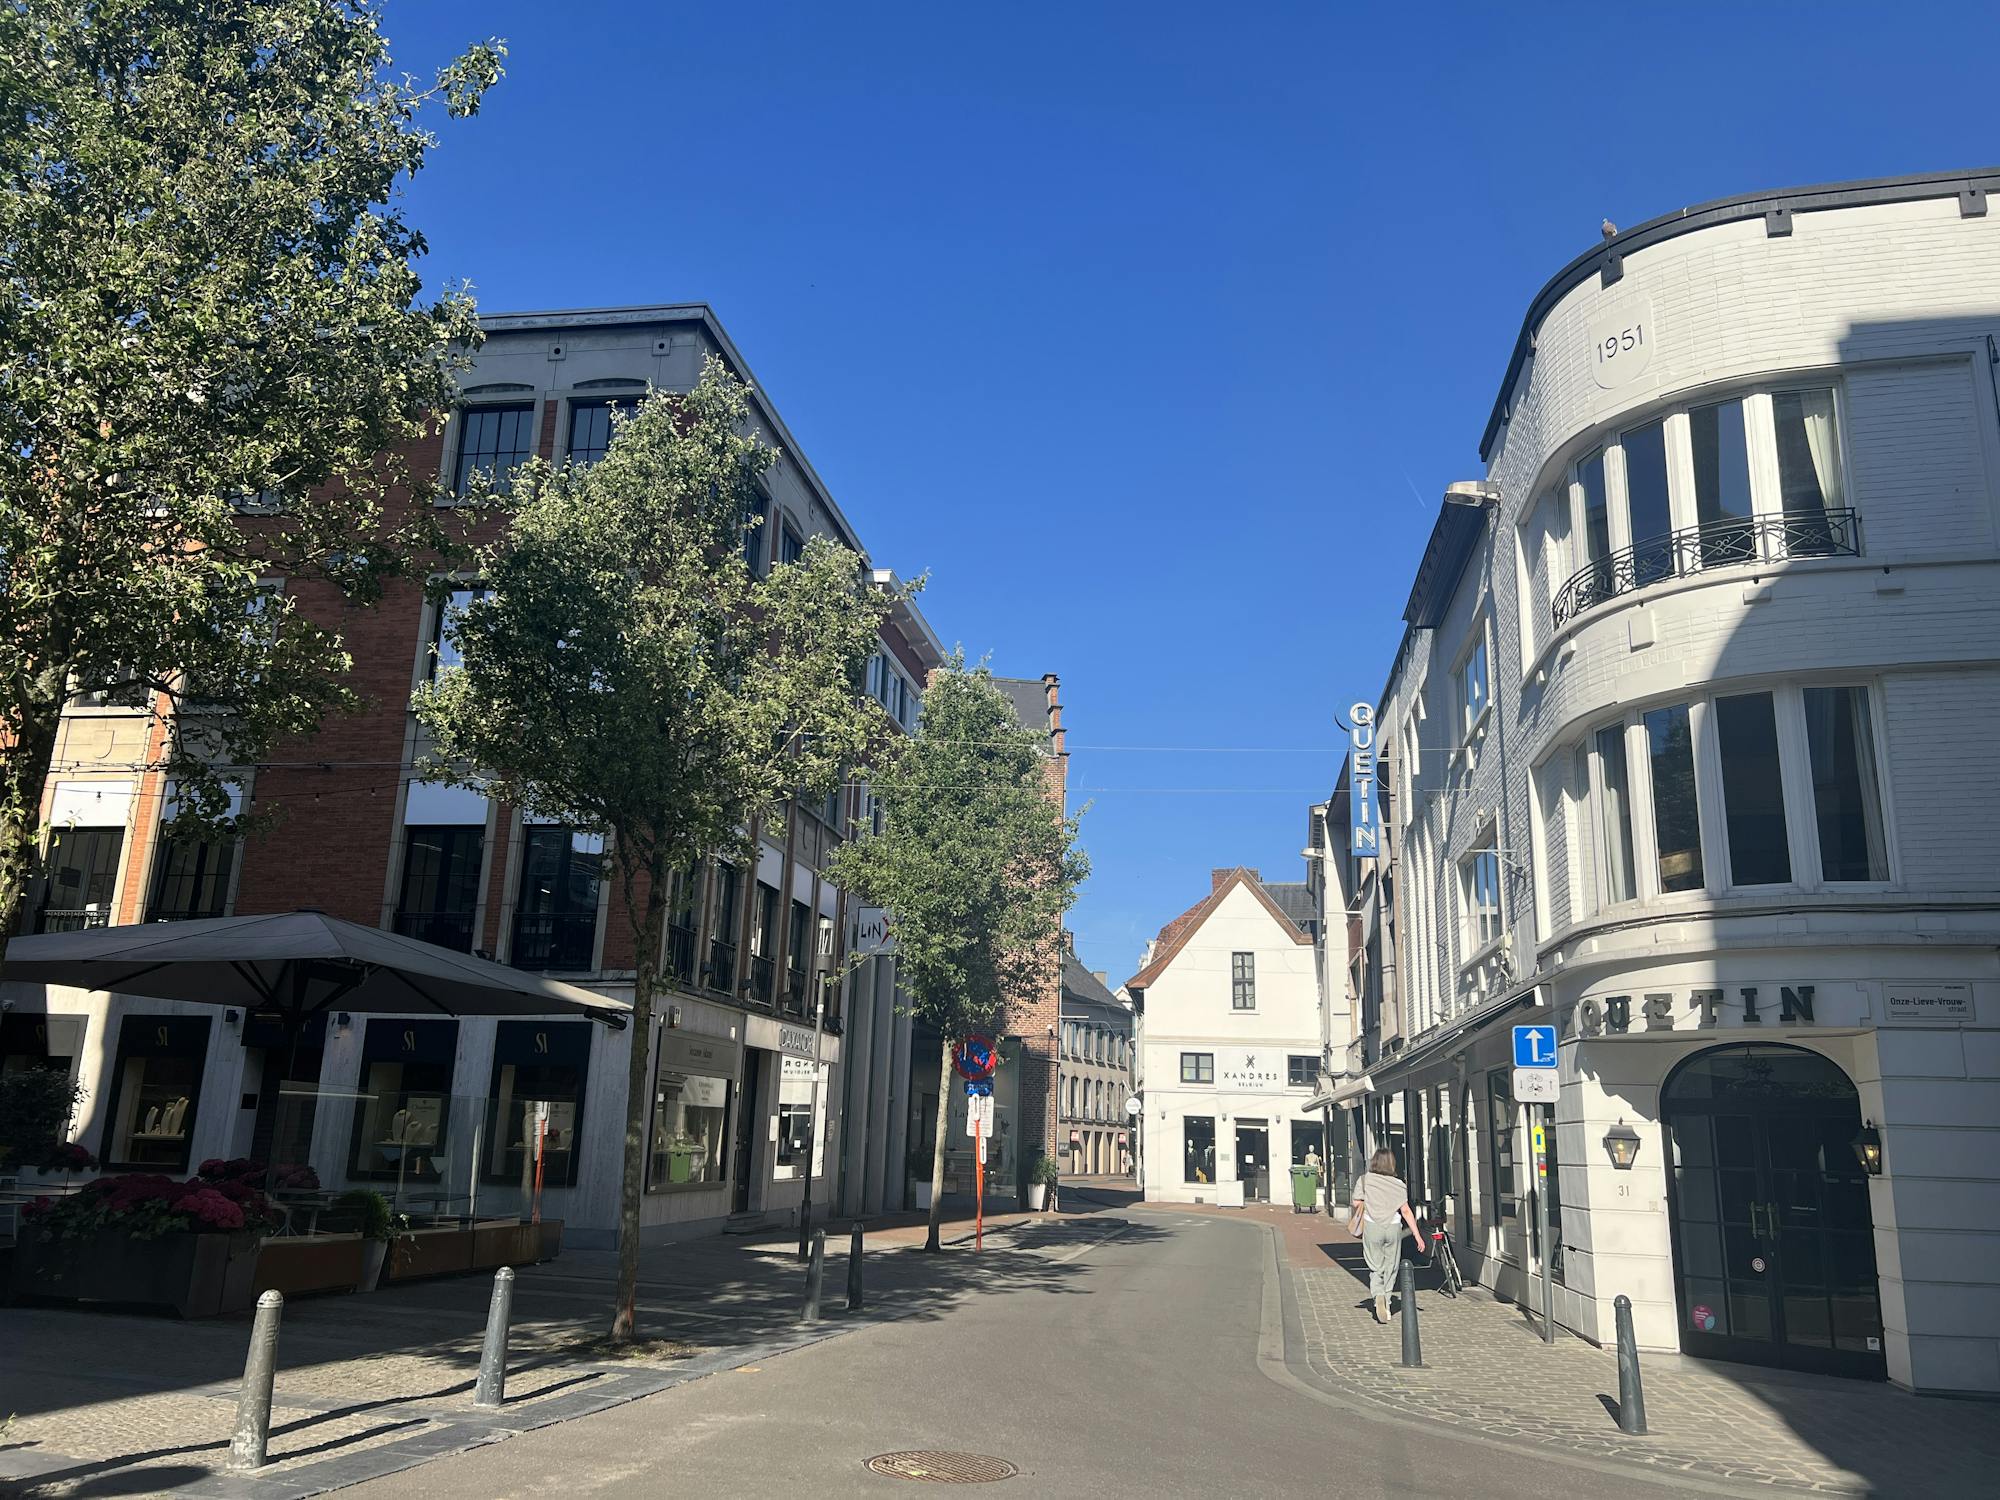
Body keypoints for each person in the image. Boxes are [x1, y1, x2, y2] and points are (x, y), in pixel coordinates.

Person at [1348, 1147, 1425, 1324]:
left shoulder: (1365, 1180)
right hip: (1393, 1227)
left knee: (1375, 1265)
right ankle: (1388, 1303)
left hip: (1372, 1226)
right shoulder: (1399, 1184)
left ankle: (1378, 1296)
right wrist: (1417, 1236)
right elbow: (1406, 1211)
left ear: (1374, 1162)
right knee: (1391, 1266)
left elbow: (1356, 1202)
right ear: (1392, 1164)